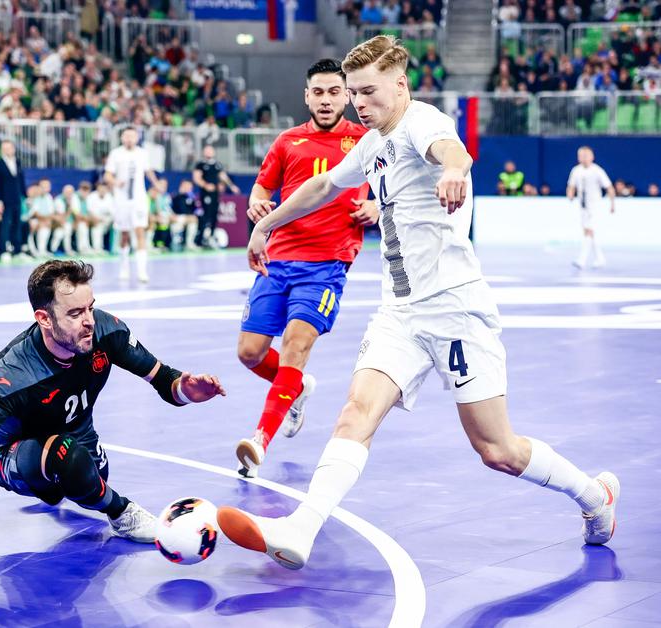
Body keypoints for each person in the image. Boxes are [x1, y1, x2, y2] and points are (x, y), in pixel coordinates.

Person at [218, 36, 619, 570]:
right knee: (355, 412)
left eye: (368, 91)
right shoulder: (371, 144)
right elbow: (323, 188)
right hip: (399, 313)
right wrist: (265, 223)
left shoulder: (420, 122)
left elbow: (451, 149)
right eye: (353, 93)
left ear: (401, 85)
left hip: (454, 310)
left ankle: (594, 495)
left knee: (497, 450)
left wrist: (453, 169)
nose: (358, 103)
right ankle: (300, 527)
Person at [0, 260, 226, 542]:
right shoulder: (16, 370)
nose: (89, 322)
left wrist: (185, 391)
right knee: (68, 459)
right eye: (74, 314)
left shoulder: (106, 330)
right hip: (12, 450)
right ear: (44, 319)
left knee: (90, 478)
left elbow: (164, 378)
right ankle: (123, 514)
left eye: (90, 308)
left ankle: (53, 487)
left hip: (76, 431)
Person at [234, 58, 376, 478]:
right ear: (307, 96)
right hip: (278, 259)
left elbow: (393, 188)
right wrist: (256, 205)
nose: (326, 100)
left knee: (296, 345)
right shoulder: (287, 141)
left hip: (327, 265)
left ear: (347, 96)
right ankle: (295, 388)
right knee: (249, 353)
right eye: (318, 92)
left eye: (334, 92)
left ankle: (259, 440)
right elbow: (262, 189)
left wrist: (376, 206)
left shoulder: (365, 141)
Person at [104, 126, 163, 283]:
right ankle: (124, 268)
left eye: (132, 136)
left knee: (140, 232)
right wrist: (116, 182)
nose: (129, 138)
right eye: (126, 136)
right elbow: (107, 175)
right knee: (124, 234)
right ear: (122, 138)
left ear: (137, 138)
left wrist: (156, 184)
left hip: (138, 200)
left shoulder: (142, 153)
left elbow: (149, 172)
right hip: (122, 200)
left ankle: (142, 271)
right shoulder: (116, 153)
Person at [567, 146, 614, 269]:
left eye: (586, 155)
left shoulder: (597, 171)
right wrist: (570, 194)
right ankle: (600, 258)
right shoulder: (576, 171)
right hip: (583, 206)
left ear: (592, 157)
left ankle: (582, 259)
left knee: (589, 230)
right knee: (589, 232)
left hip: (595, 205)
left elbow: (609, 187)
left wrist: (612, 203)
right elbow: (571, 185)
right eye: (581, 156)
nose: (583, 158)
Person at [193, 145, 240, 249]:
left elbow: (223, 176)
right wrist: (205, 185)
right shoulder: (200, 164)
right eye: (207, 150)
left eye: (210, 150)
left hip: (215, 194)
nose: (209, 152)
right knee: (206, 215)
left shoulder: (217, 164)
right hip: (206, 194)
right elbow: (196, 178)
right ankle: (199, 240)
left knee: (214, 215)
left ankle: (211, 237)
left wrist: (231, 186)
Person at [0, 140, 27, 263]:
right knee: (5, 226)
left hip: (17, 199)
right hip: (5, 200)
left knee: (17, 225)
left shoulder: (17, 162)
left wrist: (25, 196)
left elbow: (21, 181)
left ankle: (17, 251)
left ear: (13, 149)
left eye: (9, 148)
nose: (7, 150)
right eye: (4, 148)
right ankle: (4, 251)